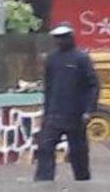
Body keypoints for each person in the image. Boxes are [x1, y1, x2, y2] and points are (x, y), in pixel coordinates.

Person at [35, 23, 101, 182]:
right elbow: (48, 86)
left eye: (63, 37)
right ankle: (44, 180)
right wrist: (46, 111)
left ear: (71, 37)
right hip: (54, 114)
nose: (60, 41)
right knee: (45, 147)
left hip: (76, 115)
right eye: (57, 38)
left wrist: (88, 110)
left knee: (78, 151)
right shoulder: (52, 59)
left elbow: (94, 86)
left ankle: (82, 180)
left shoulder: (81, 59)